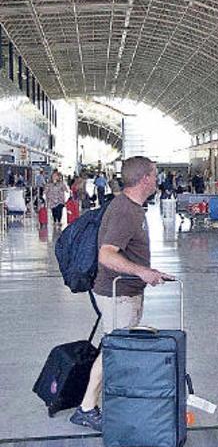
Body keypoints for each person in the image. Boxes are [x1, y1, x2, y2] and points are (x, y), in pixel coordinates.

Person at [69, 157, 174, 432]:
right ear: (145, 179)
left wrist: (146, 273)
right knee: (112, 351)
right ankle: (87, 408)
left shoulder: (134, 208)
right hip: (117, 294)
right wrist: (141, 272)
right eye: (155, 173)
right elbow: (106, 254)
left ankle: (112, 401)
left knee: (116, 349)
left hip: (126, 292)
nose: (157, 177)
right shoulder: (124, 211)